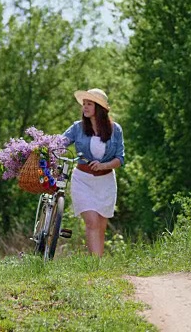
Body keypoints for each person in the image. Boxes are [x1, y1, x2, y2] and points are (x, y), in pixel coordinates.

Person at [62, 88, 125, 257]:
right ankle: (94, 267)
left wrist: (103, 166)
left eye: (89, 104)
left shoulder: (115, 129)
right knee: (91, 222)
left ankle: (97, 265)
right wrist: (43, 146)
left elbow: (120, 158)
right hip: (82, 180)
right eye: (84, 104)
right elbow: (60, 143)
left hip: (105, 182)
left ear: (100, 107)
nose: (85, 107)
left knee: (101, 226)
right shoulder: (78, 127)